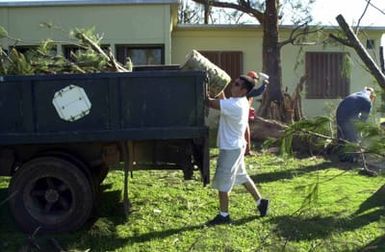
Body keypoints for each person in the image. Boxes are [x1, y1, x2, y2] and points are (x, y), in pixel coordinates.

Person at [206, 75, 269, 225]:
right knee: (242, 176)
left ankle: (224, 215)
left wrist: (202, 88)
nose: (232, 86)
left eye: (236, 84)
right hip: (237, 146)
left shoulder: (235, 106)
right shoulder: (240, 102)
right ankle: (261, 202)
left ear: (243, 90)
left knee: (222, 184)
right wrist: (218, 87)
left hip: (230, 149)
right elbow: (223, 101)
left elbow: (209, 103)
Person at [336, 87, 376, 162]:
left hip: (340, 111)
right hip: (349, 114)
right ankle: (351, 158)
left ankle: (341, 157)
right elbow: (364, 118)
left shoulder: (358, 94)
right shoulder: (367, 100)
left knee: (341, 134)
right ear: (372, 95)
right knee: (352, 136)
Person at [244, 71, 268, 156]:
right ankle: (246, 150)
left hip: (243, 113)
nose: (256, 81)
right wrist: (264, 84)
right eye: (256, 79)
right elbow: (257, 92)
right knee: (244, 132)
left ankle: (246, 150)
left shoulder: (246, 87)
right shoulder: (247, 88)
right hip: (241, 115)